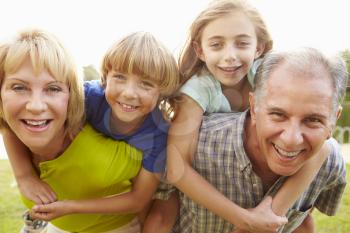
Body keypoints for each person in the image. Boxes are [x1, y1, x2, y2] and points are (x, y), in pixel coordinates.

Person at [149, 0, 328, 232]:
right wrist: (243, 219)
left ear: (259, 47)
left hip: (265, 170)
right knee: (163, 211)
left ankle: (271, 215)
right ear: (200, 50)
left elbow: (317, 138)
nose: (230, 56)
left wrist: (265, 215)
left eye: (242, 43)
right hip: (219, 171)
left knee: (321, 160)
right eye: (217, 45)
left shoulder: (271, 76)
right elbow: (176, 168)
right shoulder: (198, 90)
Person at [0, 29, 179, 233]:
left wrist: (71, 207)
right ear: (105, 77)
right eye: (119, 77)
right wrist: (24, 176)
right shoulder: (90, 98)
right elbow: (14, 122)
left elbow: (138, 199)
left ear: (162, 90)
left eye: (146, 84)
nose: (129, 93)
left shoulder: (158, 134)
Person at [171, 47, 348, 232]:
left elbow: (303, 220)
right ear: (254, 107)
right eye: (278, 114)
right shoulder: (197, 147)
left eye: (313, 120)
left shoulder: (330, 163)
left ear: (333, 120)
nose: (291, 140)